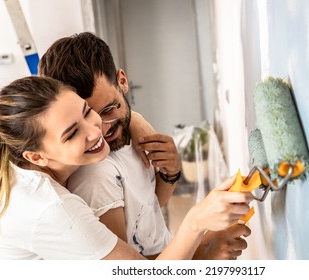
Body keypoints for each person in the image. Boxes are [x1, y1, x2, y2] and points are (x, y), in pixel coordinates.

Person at [38, 32, 252, 260]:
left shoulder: (131, 132)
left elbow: (149, 206)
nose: (100, 131)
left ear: (122, 81)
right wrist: (199, 247)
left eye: (109, 109)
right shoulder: (95, 177)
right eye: (88, 116)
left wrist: (170, 171)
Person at [0, 76, 253, 259]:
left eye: (86, 112)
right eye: (72, 134)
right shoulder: (53, 209)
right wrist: (196, 225)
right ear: (36, 157)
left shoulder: (22, 148)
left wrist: (133, 120)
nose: (97, 130)